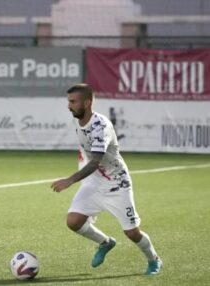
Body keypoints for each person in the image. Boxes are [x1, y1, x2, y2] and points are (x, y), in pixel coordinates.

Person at [51, 83, 162, 274]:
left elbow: (95, 161)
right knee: (74, 222)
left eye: (73, 102)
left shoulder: (100, 126)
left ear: (87, 102)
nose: (69, 106)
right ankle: (105, 242)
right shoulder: (78, 120)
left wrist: (71, 180)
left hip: (117, 183)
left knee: (132, 233)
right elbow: (85, 152)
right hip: (94, 182)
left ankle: (154, 260)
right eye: (68, 101)